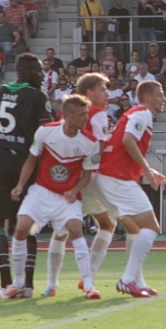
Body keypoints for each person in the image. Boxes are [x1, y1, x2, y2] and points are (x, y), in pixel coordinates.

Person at [1, 95, 102, 299]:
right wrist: (20, 185)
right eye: (82, 114)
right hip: (42, 191)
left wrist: (74, 190)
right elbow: (31, 160)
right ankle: (18, 283)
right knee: (21, 228)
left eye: (87, 113)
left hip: (67, 196)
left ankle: (89, 285)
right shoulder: (46, 132)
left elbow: (87, 175)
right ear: (68, 115)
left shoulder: (90, 142)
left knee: (76, 229)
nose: (86, 118)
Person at [0, 53, 52, 300]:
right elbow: (46, 131)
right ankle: (26, 285)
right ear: (27, 72)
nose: (43, 76)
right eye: (39, 71)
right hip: (26, 163)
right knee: (25, 221)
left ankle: (5, 284)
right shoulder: (38, 96)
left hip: (0, 161)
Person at [41, 73, 121, 297]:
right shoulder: (97, 114)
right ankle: (89, 276)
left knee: (61, 232)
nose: (107, 94)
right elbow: (100, 146)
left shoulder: (66, 116)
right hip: (90, 177)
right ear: (89, 93)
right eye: (102, 89)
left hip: (68, 178)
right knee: (107, 224)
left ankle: (51, 284)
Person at [97, 80, 166, 298]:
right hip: (116, 178)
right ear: (147, 97)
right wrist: (147, 171)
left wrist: (147, 170)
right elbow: (128, 141)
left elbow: (123, 148)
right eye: (160, 94)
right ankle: (127, 280)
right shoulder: (142, 113)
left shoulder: (134, 114)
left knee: (137, 229)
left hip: (111, 176)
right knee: (151, 227)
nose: (164, 99)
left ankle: (138, 281)